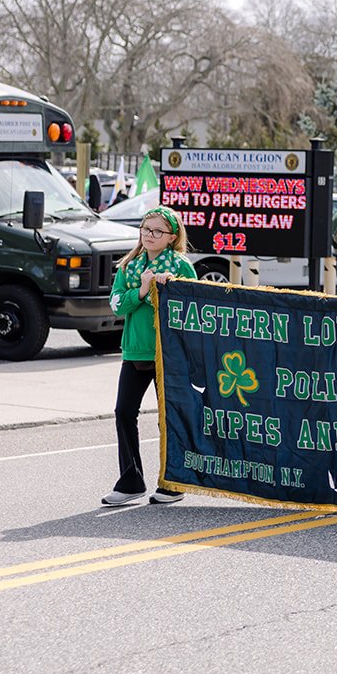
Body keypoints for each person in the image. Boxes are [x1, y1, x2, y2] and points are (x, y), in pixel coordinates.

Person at [102, 205, 197, 505]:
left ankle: (173, 482)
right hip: (135, 351)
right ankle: (131, 481)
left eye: (158, 231)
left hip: (168, 354)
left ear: (171, 237)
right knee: (124, 412)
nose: (150, 235)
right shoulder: (130, 266)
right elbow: (117, 304)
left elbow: (195, 310)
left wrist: (169, 291)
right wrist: (142, 291)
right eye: (145, 229)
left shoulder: (182, 266)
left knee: (168, 419)